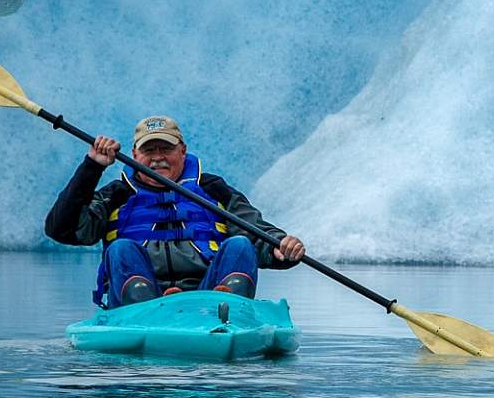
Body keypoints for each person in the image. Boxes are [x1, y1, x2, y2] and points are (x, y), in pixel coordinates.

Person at [45, 114, 305, 307]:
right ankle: (158, 307)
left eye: (166, 148)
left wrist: (278, 246)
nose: (157, 157)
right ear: (135, 154)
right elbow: (61, 229)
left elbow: (253, 228)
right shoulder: (116, 194)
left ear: (183, 151)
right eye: (149, 150)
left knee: (239, 244)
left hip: (210, 298)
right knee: (120, 249)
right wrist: (92, 167)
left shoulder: (212, 189)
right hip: (137, 305)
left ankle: (227, 308)